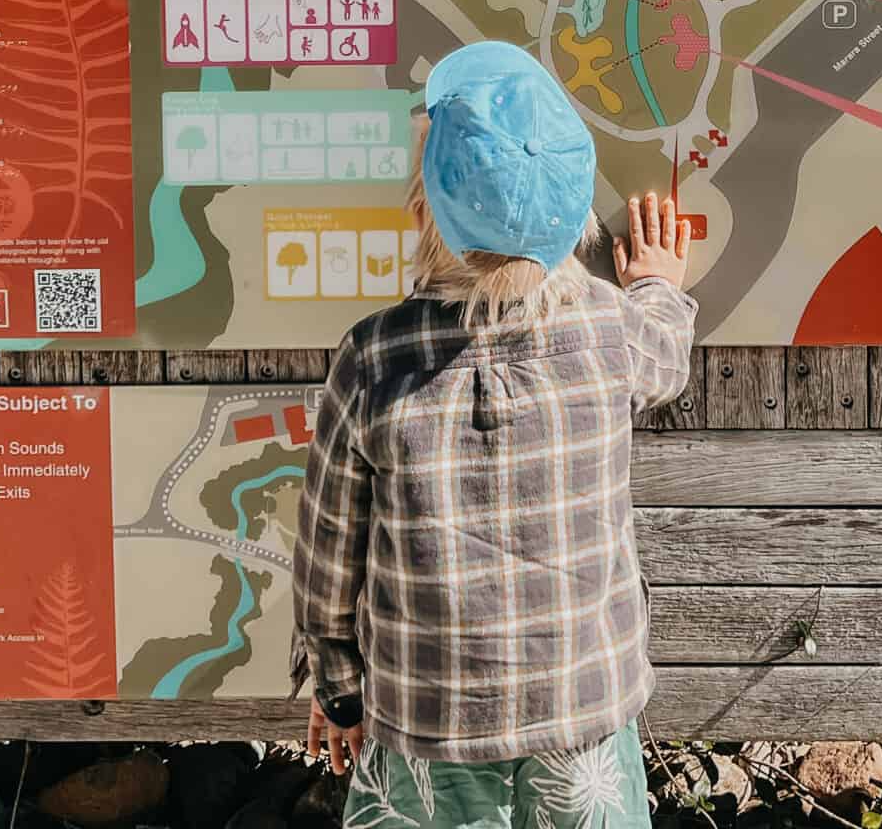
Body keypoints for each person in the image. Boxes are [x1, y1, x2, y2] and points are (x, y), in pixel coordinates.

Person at [292, 41, 697, 829]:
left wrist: (340, 692)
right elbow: (666, 355)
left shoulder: (374, 358)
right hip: (579, 711)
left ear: (423, 210)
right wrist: (656, 284)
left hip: (428, 724)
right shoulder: (611, 331)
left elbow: (328, 554)